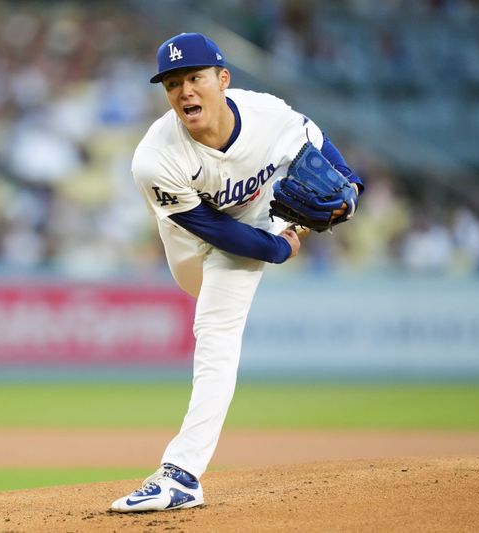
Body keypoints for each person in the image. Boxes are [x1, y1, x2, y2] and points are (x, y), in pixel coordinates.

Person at [110, 32, 363, 513]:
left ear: (222, 79)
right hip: (192, 241)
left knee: (215, 334)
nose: (184, 91)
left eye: (195, 78)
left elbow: (331, 158)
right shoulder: (155, 158)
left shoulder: (271, 117)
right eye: (172, 83)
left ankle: (181, 475)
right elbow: (212, 229)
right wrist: (280, 249)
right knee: (201, 291)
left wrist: (349, 194)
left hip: (253, 221)